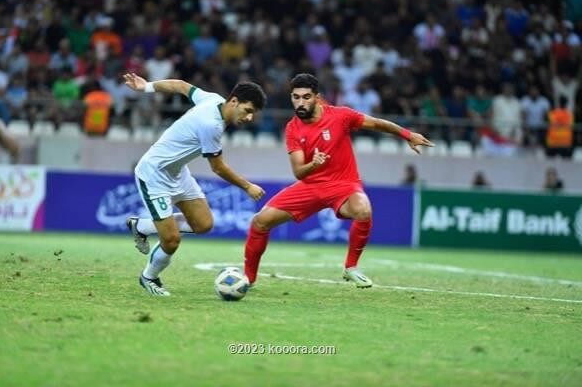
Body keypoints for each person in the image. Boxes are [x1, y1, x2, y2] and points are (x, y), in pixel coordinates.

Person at [243, 74, 433, 288]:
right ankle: (248, 278)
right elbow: (299, 172)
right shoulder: (292, 128)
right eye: (296, 97)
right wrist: (313, 164)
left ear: (317, 97)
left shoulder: (341, 116)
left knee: (363, 210)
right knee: (260, 221)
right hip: (310, 186)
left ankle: (351, 267)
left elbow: (377, 123)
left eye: (306, 97)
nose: (301, 102)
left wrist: (407, 135)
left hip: (344, 184)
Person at [123, 72, 267, 296]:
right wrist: (247, 186)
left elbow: (181, 85)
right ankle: (149, 277)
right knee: (171, 241)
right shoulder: (212, 126)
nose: (249, 118)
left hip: (178, 173)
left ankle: (141, 226)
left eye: (253, 114)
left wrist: (147, 87)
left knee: (203, 224)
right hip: (153, 175)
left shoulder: (212, 99)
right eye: (247, 111)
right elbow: (217, 167)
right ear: (234, 101)